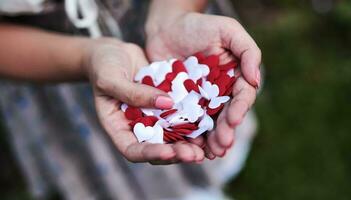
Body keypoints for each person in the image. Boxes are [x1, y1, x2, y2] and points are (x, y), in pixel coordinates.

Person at [0, 0, 261, 199]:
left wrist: (174, 13)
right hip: (50, 57)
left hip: (167, 21)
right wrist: (86, 58)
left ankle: (210, 183)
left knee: (214, 144)